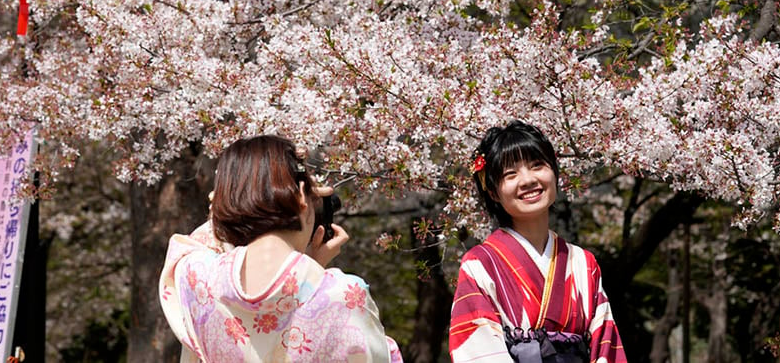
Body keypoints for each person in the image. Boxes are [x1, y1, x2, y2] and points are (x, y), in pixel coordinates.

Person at [159, 135, 403, 362]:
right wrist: (311, 272)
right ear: (301, 195)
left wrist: (237, 194)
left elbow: (196, 242)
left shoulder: (199, 279)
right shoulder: (344, 295)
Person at [449, 121, 627, 363]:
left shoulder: (584, 263)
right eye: (510, 174)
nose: (528, 180)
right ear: (493, 192)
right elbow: (478, 352)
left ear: (554, 172)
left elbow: (605, 346)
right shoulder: (480, 264)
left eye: (537, 166)